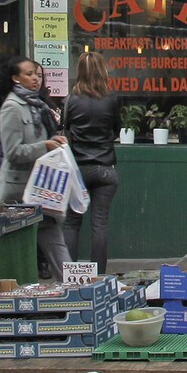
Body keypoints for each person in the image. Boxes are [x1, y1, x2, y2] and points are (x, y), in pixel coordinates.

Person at [0, 55, 71, 283]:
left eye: (38, 75)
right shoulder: (12, 107)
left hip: (42, 189)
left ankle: (75, 290)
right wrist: (45, 145)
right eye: (29, 74)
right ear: (15, 78)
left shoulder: (40, 105)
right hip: (17, 194)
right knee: (20, 252)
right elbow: (13, 152)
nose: (35, 79)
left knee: (55, 241)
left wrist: (57, 141)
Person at [63, 50, 120, 274]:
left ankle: (68, 274)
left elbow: (65, 129)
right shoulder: (112, 99)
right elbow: (116, 129)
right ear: (102, 71)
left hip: (78, 169)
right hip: (105, 169)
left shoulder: (71, 100)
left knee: (71, 223)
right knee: (100, 224)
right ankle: (98, 276)